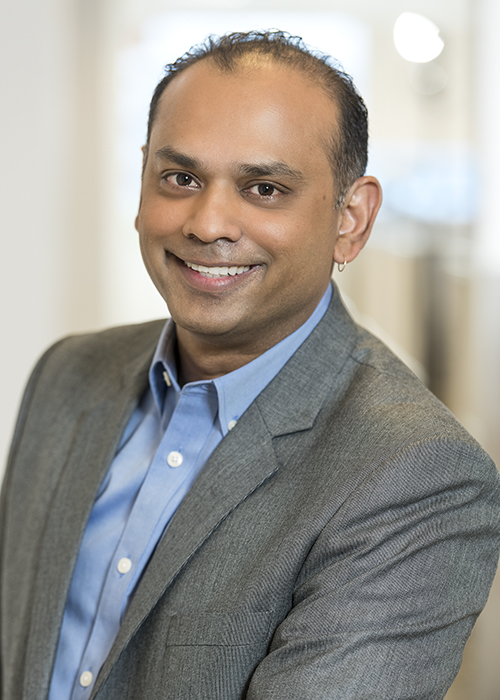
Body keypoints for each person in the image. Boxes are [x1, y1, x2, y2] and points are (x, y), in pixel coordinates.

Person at [1, 30, 499, 700]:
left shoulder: (416, 473)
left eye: (263, 188)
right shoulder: (67, 374)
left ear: (351, 218)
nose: (207, 223)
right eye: (180, 178)